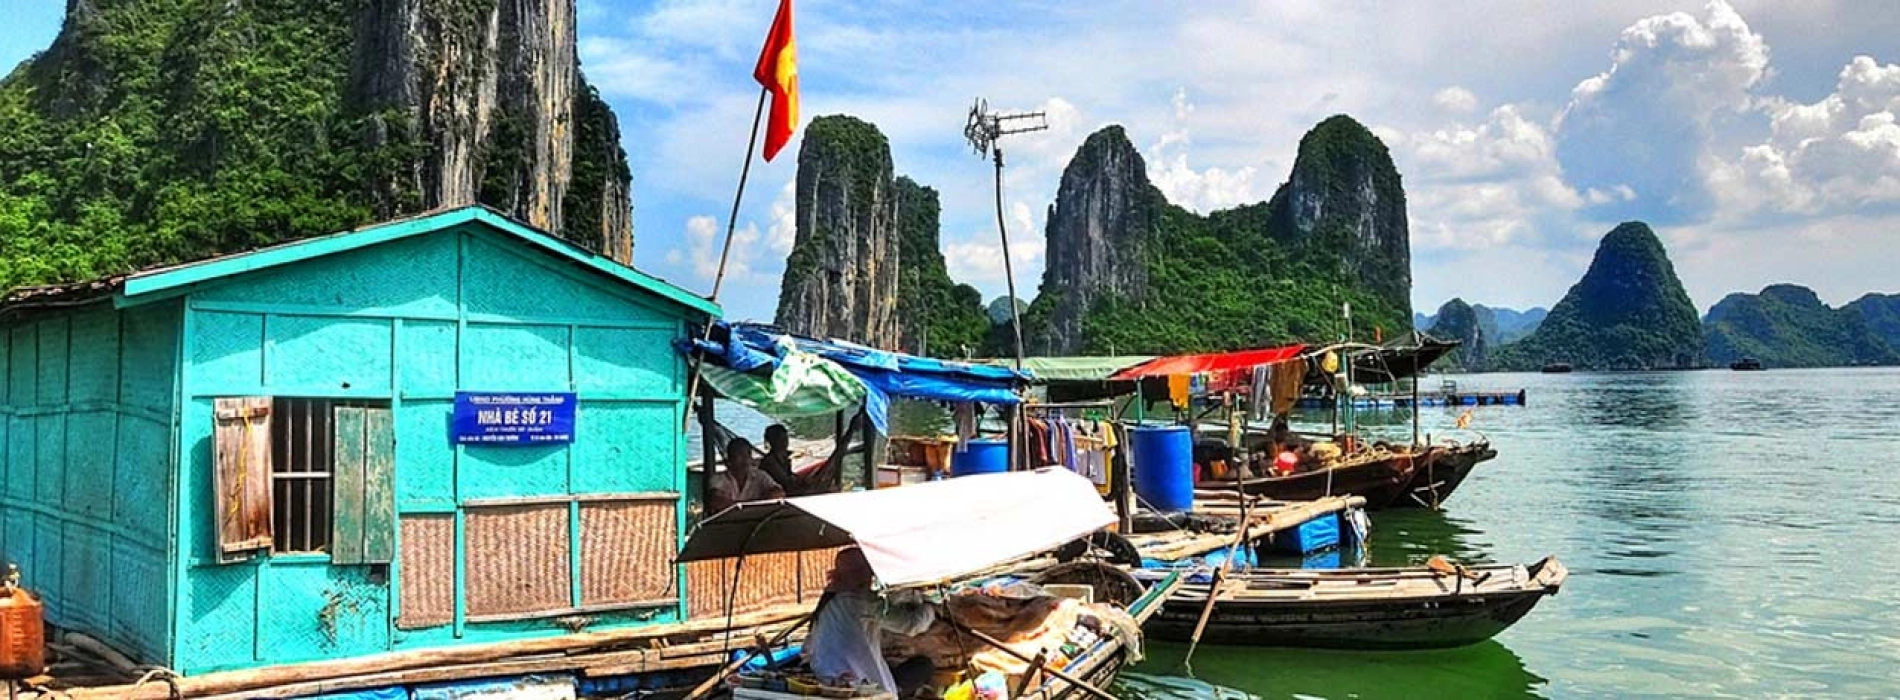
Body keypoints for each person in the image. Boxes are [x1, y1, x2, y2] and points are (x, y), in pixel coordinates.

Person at [806, 547, 936, 694]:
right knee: (923, 666)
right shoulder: (860, 600)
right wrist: (930, 605)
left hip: (825, 672)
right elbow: (912, 625)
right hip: (853, 681)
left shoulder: (832, 596)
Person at [706, 437, 784, 514]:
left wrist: (738, 505)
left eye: (748, 454)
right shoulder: (718, 479)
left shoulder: (760, 475)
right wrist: (757, 503)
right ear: (730, 459)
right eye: (740, 454)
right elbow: (716, 501)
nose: (745, 458)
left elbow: (779, 492)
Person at [759, 424, 801, 493]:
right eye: (781, 439)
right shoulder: (770, 462)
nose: (785, 442)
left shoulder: (784, 456)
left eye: (786, 438)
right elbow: (785, 481)